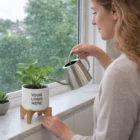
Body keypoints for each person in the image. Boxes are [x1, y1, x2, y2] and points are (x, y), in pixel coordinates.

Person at [41, 0, 140, 139]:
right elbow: (131, 80)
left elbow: (122, 76)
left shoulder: (121, 71)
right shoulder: (133, 61)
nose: (93, 21)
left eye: (95, 12)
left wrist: (65, 133)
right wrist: (100, 55)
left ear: (114, 11)